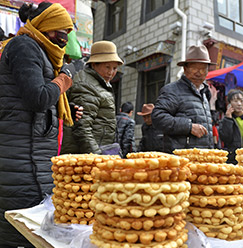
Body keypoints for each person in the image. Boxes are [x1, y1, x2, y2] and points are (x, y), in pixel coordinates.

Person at [0, 2, 75, 247]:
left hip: (33, 159)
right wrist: (64, 80)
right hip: (19, 161)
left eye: (68, 34)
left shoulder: (42, 52)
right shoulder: (25, 46)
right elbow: (38, 98)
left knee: (26, 232)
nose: (63, 39)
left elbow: (34, 102)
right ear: (46, 26)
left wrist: (67, 109)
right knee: (17, 233)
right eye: (60, 32)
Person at [61, 40, 124, 155]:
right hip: (85, 155)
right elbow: (82, 127)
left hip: (99, 150)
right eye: (107, 67)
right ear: (94, 64)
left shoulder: (100, 83)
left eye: (114, 68)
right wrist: (97, 157)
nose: (111, 72)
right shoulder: (86, 84)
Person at [152, 45, 214, 153]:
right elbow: (158, 117)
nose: (199, 73)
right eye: (194, 68)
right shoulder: (172, 90)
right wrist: (189, 127)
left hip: (203, 158)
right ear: (185, 69)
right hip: (181, 159)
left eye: (203, 69)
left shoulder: (204, 93)